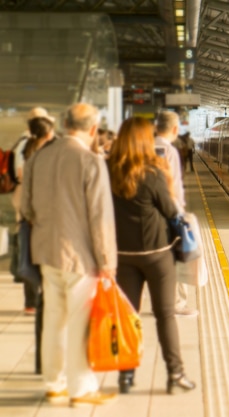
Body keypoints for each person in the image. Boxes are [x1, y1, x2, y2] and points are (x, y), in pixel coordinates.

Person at [21, 103, 118, 407]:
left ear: (64, 124)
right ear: (92, 129)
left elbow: (25, 208)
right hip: (81, 258)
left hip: (47, 252)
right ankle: (81, 389)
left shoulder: (39, 157)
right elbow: (100, 218)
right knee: (79, 323)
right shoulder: (90, 161)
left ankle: (54, 385)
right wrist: (108, 263)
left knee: (53, 320)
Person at [107, 116, 196, 395]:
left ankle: (126, 376)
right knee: (165, 315)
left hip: (123, 255)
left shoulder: (108, 169)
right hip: (157, 254)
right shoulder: (154, 171)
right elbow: (171, 211)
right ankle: (175, 374)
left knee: (128, 316)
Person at [11, 107, 55, 316]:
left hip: (26, 204)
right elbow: (21, 174)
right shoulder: (30, 146)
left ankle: (33, 300)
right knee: (32, 250)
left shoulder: (23, 145)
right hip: (34, 206)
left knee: (29, 249)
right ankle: (34, 299)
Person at [155, 111, 197, 317]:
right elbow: (173, 188)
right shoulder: (169, 151)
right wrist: (180, 213)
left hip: (148, 214)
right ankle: (177, 303)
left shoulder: (143, 148)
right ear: (174, 129)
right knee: (176, 259)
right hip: (168, 213)